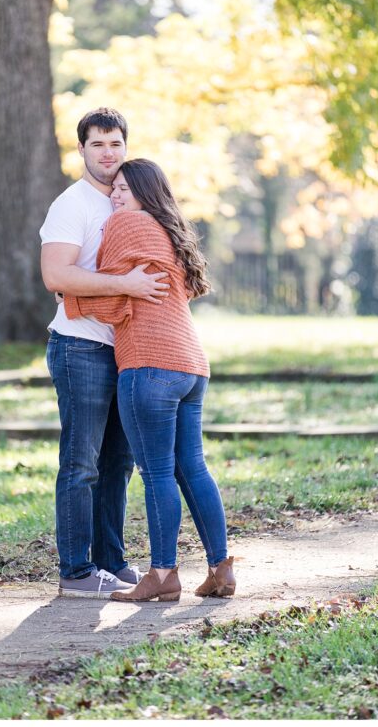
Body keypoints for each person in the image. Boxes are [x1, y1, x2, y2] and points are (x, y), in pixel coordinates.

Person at [63, 158, 235, 601]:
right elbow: (135, 291)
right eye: (114, 189)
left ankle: (162, 574)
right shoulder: (170, 230)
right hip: (192, 366)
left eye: (124, 188)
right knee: (192, 468)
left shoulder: (126, 225)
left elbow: (114, 298)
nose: (116, 196)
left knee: (156, 472)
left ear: (143, 192)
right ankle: (220, 568)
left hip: (149, 363)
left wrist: (72, 298)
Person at [40, 108, 171, 598]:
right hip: (79, 347)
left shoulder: (132, 203)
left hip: (125, 349)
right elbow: (56, 275)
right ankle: (75, 572)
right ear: (82, 150)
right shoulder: (72, 205)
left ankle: (110, 562)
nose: (108, 153)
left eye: (115, 143)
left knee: (119, 462)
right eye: (97, 145)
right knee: (81, 463)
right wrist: (125, 285)